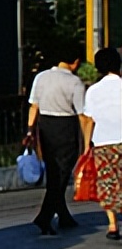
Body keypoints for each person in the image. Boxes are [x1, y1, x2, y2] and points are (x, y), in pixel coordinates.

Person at [24, 41, 86, 235]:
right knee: (62, 174)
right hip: (66, 127)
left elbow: (34, 106)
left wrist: (29, 131)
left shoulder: (41, 77)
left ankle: (63, 215)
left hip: (45, 127)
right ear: (75, 61)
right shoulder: (74, 82)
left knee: (53, 172)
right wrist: (86, 141)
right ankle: (45, 215)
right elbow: (82, 114)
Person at [79, 47, 122, 240]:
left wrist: (87, 144)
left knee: (107, 182)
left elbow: (89, 120)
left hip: (103, 142)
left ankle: (113, 224)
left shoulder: (93, 91)